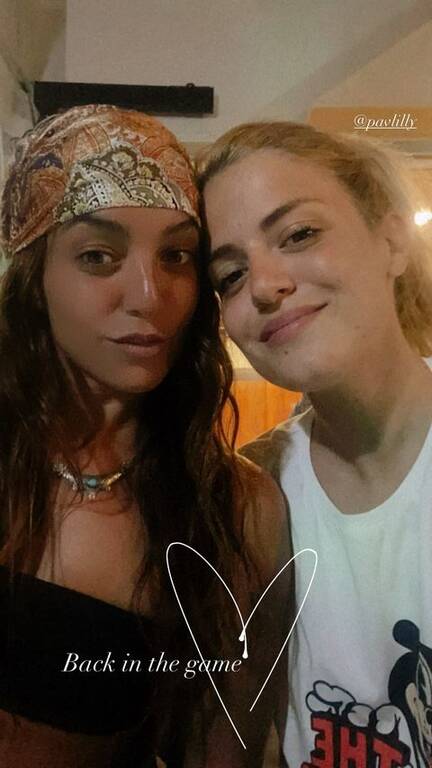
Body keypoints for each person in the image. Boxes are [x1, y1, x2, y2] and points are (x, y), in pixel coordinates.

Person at [0, 105, 290, 768]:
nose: (149, 295)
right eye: (98, 256)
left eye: (176, 256)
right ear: (34, 277)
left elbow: (223, 747)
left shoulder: (230, 510)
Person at [197, 121, 432, 768]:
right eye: (231, 275)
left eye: (299, 234)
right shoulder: (255, 499)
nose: (264, 285)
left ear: (391, 240)